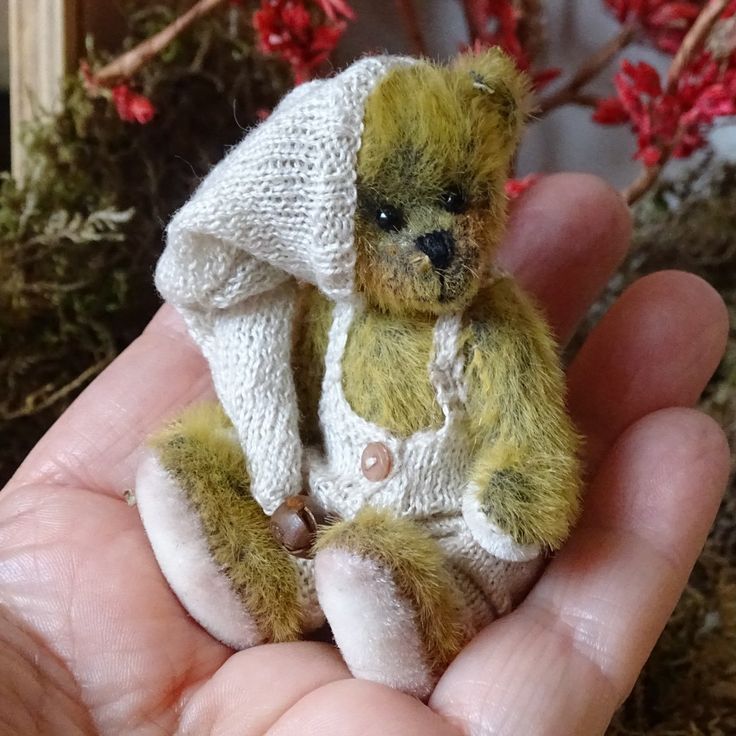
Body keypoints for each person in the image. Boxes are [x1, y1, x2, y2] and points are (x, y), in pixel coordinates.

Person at [0, 173, 729, 736]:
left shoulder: (497, 326)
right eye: (387, 217)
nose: (430, 239)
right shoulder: (332, 306)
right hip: (328, 497)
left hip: (443, 532)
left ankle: (402, 620)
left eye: (452, 202)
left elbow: (526, 421)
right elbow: (299, 385)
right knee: (189, 466)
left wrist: (520, 493)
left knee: (378, 567)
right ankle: (258, 591)